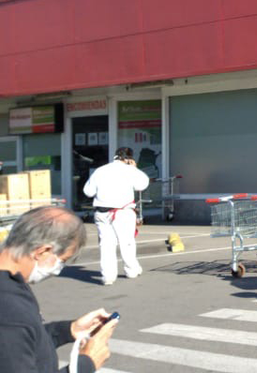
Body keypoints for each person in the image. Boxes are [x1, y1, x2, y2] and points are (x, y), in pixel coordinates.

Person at [0, 206, 119, 373]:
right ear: (43, 251)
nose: (59, 268)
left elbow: (22, 343)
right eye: (62, 260)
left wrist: (67, 330)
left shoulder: (11, 285)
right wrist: (86, 364)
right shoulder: (9, 310)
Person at [81, 147, 149, 286]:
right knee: (127, 242)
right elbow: (143, 184)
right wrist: (134, 169)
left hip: (102, 212)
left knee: (106, 244)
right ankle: (131, 270)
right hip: (122, 211)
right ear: (129, 159)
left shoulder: (100, 171)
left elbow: (88, 191)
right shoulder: (130, 170)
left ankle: (108, 276)